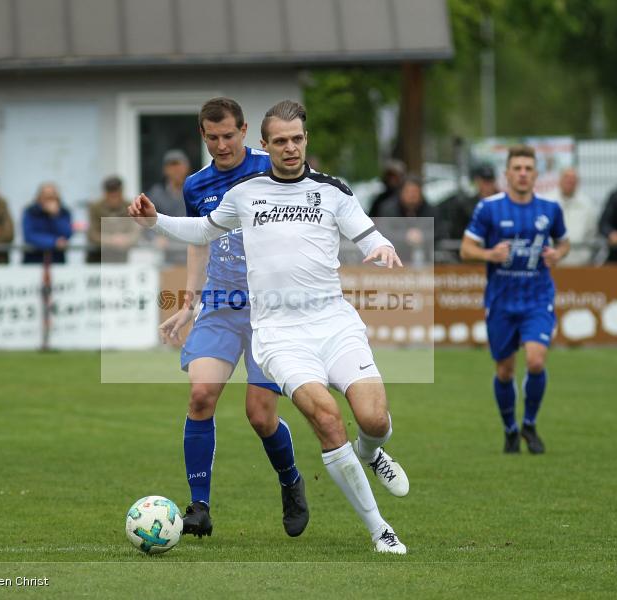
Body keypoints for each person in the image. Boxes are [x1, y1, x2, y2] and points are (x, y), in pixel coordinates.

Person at [132, 100, 411, 554]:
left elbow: (366, 230)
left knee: (368, 419)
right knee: (315, 417)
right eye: (280, 140)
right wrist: (156, 224)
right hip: (272, 329)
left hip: (333, 322)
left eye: (296, 139)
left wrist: (381, 245)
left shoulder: (332, 190)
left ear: (304, 140)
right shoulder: (241, 192)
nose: (290, 147)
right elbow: (203, 233)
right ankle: (380, 529)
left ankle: (366, 453)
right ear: (266, 143)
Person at [144, 97, 308, 540]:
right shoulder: (196, 186)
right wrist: (188, 301)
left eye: (229, 136)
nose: (221, 145)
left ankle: (291, 480)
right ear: (203, 135)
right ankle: (198, 507)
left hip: (269, 308)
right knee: (200, 396)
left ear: (244, 131)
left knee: (259, 415)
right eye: (212, 137)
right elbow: (200, 240)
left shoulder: (272, 167)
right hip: (220, 303)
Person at [460, 145, 570, 455]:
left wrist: (558, 254)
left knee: (536, 360)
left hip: (538, 298)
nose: (522, 174)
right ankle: (510, 429)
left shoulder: (550, 209)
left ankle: (530, 425)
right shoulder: (489, 208)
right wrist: (489, 254)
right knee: (505, 371)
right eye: (517, 168)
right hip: (502, 301)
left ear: (536, 175)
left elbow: (564, 242)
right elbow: (466, 249)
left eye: (528, 169)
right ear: (507, 174)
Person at [375, 174, 437, 265]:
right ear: (401, 192)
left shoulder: (430, 210)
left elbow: (440, 232)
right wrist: (405, 236)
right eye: (408, 192)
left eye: (415, 192)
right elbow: (383, 232)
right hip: (394, 261)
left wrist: (423, 236)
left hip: (427, 262)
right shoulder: (388, 209)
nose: (412, 196)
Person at [548, 168, 599, 266]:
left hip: (581, 263)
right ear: (559, 180)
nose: (570, 181)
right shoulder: (548, 202)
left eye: (573, 179)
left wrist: (587, 255)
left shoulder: (587, 204)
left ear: (578, 182)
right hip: (553, 263)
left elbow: (592, 232)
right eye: (566, 177)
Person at [441, 163, 499, 245]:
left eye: (489, 181)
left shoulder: (502, 203)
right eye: (484, 181)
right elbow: (457, 233)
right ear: (477, 181)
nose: (487, 186)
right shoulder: (465, 206)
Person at [86, 176, 139, 263]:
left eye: (116, 195)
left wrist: (126, 239)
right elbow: (92, 234)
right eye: (111, 196)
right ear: (105, 194)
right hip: (98, 257)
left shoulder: (129, 206)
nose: (114, 199)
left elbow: (136, 232)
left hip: (120, 257)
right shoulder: (95, 207)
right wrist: (110, 240)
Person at [22, 182, 72, 264]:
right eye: (46, 196)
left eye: (52, 197)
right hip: (33, 259)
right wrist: (53, 242)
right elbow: (29, 235)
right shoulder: (31, 212)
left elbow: (67, 233)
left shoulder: (64, 212)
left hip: (57, 259)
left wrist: (55, 216)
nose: (49, 200)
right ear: (39, 197)